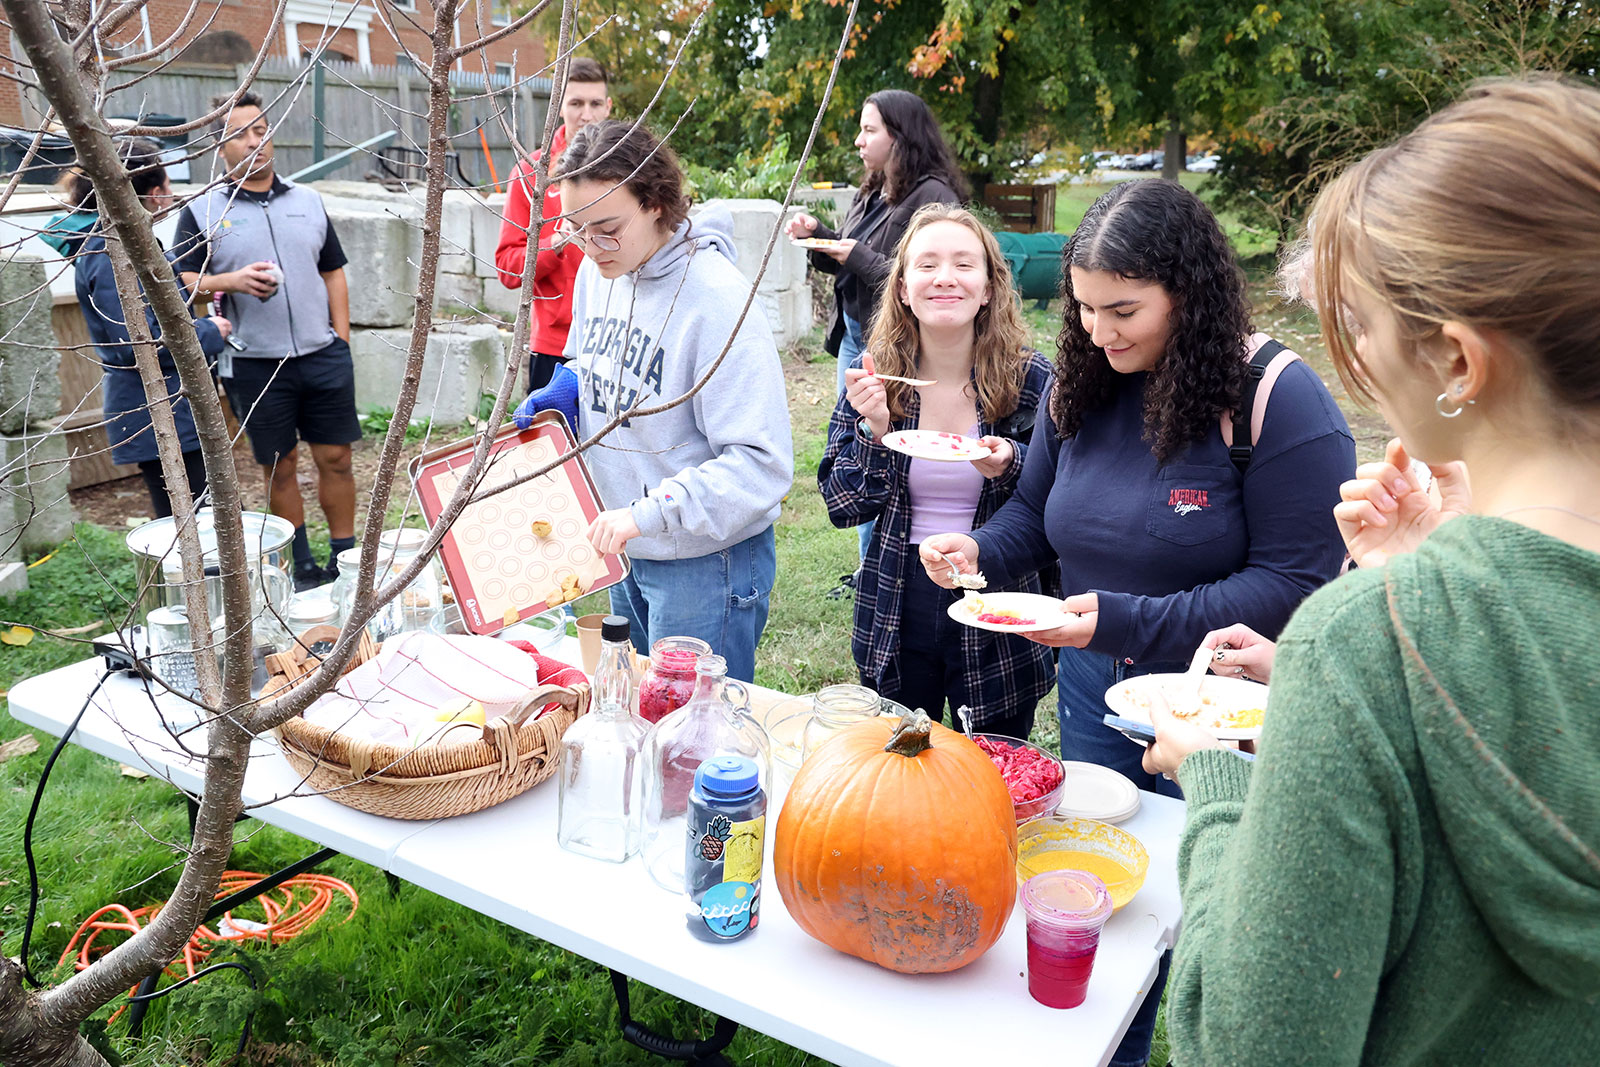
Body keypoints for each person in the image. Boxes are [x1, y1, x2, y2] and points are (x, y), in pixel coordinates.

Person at [1141, 77, 1600, 1066]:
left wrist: (1218, 782)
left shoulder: (1361, 644)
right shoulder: (1391, 628)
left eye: (1361, 322)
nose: (1353, 354)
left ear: (1457, 361)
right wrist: (1428, 575)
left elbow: (1249, 1044)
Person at [920, 178, 1354, 1067]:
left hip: (1221, 714)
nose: (1096, 332)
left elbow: (1292, 584)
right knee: (1098, 893)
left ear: (1187, 294)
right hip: (1093, 689)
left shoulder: (1277, 398)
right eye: (1081, 309)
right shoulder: (1080, 384)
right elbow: (1036, 518)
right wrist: (978, 551)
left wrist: (1122, 618)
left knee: (1202, 905)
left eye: (1123, 310)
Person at [515, 119, 793, 684]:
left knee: (697, 732)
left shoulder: (717, 302)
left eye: (607, 228)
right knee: (641, 709)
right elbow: (594, 357)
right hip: (623, 543)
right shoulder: (601, 270)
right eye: (575, 229)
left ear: (656, 204)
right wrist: (568, 388)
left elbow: (760, 466)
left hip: (703, 560)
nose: (589, 248)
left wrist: (647, 516)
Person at [817, 204, 1054, 737]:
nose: (945, 277)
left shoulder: (1033, 379)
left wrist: (1011, 462)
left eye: (964, 264)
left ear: (990, 287)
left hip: (998, 598)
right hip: (898, 598)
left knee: (996, 766)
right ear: (902, 288)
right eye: (926, 265)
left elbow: (1060, 498)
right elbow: (842, 505)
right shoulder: (877, 377)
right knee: (899, 767)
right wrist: (875, 429)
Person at [174, 91, 360, 591]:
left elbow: (333, 272)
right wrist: (230, 281)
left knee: (337, 458)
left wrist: (340, 340)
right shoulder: (202, 210)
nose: (255, 142)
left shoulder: (309, 201)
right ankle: (298, 566)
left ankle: (346, 560)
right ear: (220, 146)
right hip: (255, 364)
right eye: (240, 134)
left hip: (323, 356)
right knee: (280, 466)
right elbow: (180, 280)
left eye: (261, 129)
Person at [787, 89, 967, 576]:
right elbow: (855, 254)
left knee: (886, 449)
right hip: (856, 335)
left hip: (892, 344)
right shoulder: (876, 187)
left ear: (899, 136)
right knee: (856, 446)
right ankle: (870, 567)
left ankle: (879, 567)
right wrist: (819, 235)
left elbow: (921, 279)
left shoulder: (934, 197)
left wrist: (856, 256)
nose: (858, 140)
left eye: (870, 130)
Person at [53, 139, 230, 518]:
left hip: (176, 408)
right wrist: (210, 331)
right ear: (153, 194)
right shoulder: (109, 254)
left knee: (214, 518)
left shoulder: (134, 244)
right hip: (155, 412)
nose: (169, 195)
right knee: (193, 528)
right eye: (166, 186)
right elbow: (136, 343)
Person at [494, 56, 613, 396]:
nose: (585, 115)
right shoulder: (530, 174)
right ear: (559, 105)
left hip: (619, 336)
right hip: (556, 346)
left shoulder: (629, 171)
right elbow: (507, 269)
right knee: (555, 446)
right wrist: (557, 240)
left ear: (608, 106)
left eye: (594, 103)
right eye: (575, 103)